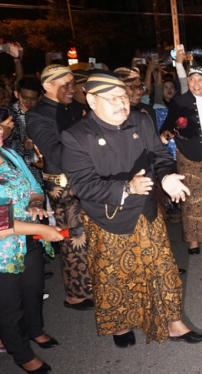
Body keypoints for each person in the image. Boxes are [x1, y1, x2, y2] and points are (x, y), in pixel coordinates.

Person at [60, 72, 202, 348]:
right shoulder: (76, 135)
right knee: (115, 275)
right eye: (113, 98)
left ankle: (174, 322)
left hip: (146, 211)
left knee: (163, 268)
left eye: (124, 97)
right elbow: (82, 186)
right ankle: (121, 325)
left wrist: (166, 177)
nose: (122, 103)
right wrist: (126, 188)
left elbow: (160, 156)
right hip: (109, 218)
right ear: (92, 100)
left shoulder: (141, 119)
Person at [26, 64, 93, 310]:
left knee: (93, 232)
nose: (71, 88)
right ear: (46, 86)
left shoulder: (76, 107)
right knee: (74, 236)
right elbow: (53, 153)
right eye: (64, 84)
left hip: (86, 176)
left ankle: (95, 284)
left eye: (72, 83)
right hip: (62, 182)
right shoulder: (37, 115)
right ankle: (75, 294)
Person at [0, 124, 65, 374]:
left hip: (28, 240)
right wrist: (44, 230)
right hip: (4, 252)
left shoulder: (10, 154)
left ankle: (35, 330)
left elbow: (34, 188)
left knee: (34, 290)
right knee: (9, 305)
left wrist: (35, 204)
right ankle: (21, 353)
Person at [160, 66, 202, 255]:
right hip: (189, 155)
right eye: (192, 79)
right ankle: (193, 240)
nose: (196, 83)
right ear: (188, 82)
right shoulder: (179, 101)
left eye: (200, 79)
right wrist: (165, 132)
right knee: (191, 198)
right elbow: (168, 123)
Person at [7, 76, 42, 184]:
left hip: (38, 176)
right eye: (25, 97)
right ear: (17, 94)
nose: (28, 102)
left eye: (33, 99)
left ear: (39, 98)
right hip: (13, 176)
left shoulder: (43, 117)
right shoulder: (6, 116)